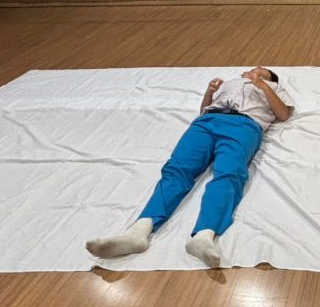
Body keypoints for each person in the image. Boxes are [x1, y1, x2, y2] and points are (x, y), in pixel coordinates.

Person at [85, 67, 293, 267]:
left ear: (270, 80)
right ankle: (139, 231)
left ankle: (204, 235)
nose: (254, 71)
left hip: (244, 125)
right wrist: (209, 92)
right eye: (252, 70)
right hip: (207, 121)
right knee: (176, 169)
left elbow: (283, 114)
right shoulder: (231, 83)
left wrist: (263, 86)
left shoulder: (274, 88)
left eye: (262, 72)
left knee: (229, 173)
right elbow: (204, 110)